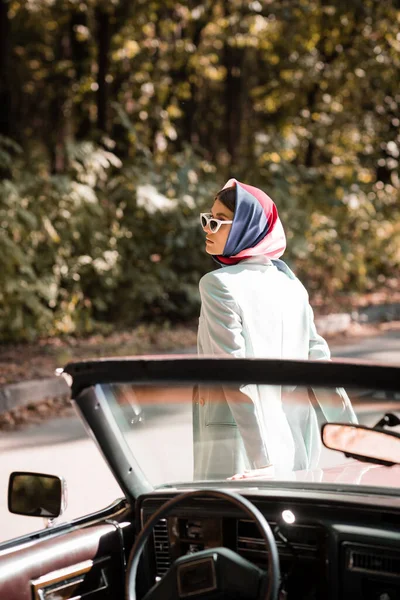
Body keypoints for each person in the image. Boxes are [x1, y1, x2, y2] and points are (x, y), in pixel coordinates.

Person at [193, 178, 357, 481]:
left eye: (218, 221)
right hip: (296, 440)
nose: (207, 227)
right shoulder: (290, 284)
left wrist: (261, 461)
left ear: (246, 227)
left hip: (241, 449)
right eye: (208, 219)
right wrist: (357, 441)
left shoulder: (218, 285)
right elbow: (321, 365)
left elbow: (235, 376)